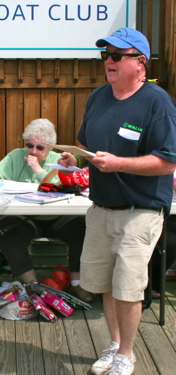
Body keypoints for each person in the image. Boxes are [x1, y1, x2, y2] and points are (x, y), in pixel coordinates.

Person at [59, 27, 176, 375]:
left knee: (127, 288)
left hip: (138, 212)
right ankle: (114, 344)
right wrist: (75, 159)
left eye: (116, 56)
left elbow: (168, 160)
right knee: (108, 285)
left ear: (140, 63)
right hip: (100, 209)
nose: (107, 62)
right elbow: (88, 147)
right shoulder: (98, 96)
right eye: (105, 55)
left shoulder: (157, 102)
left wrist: (119, 164)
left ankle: (127, 354)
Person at [0, 118, 93, 303]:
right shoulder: (16, 156)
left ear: (49, 148)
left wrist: (38, 169)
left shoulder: (59, 160)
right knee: (5, 227)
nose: (32, 151)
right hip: (27, 218)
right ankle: (33, 286)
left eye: (39, 148)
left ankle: (77, 282)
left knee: (84, 225)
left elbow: (61, 186)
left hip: (58, 217)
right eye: (29, 145)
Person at [151, 174, 176, 297]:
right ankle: (150, 281)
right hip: (155, 209)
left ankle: (155, 282)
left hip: (171, 215)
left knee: (170, 244)